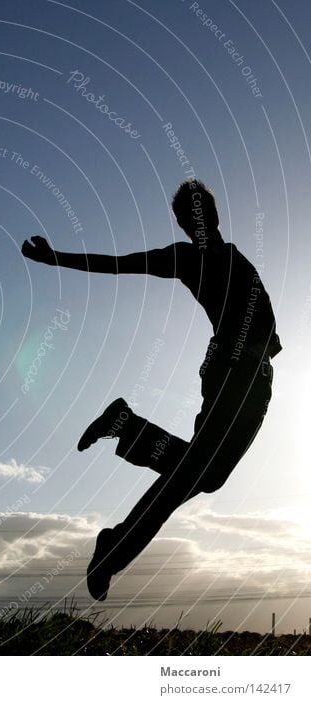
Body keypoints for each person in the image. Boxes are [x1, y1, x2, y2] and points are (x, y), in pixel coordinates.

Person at [21, 179, 281, 601]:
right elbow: (119, 263)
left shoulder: (238, 259)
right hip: (231, 376)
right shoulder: (183, 258)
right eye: (188, 215)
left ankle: (128, 427)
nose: (197, 220)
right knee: (187, 478)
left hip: (257, 384)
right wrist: (55, 259)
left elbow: (266, 325)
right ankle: (113, 550)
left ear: (214, 215)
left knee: (205, 477)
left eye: (202, 211)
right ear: (182, 223)